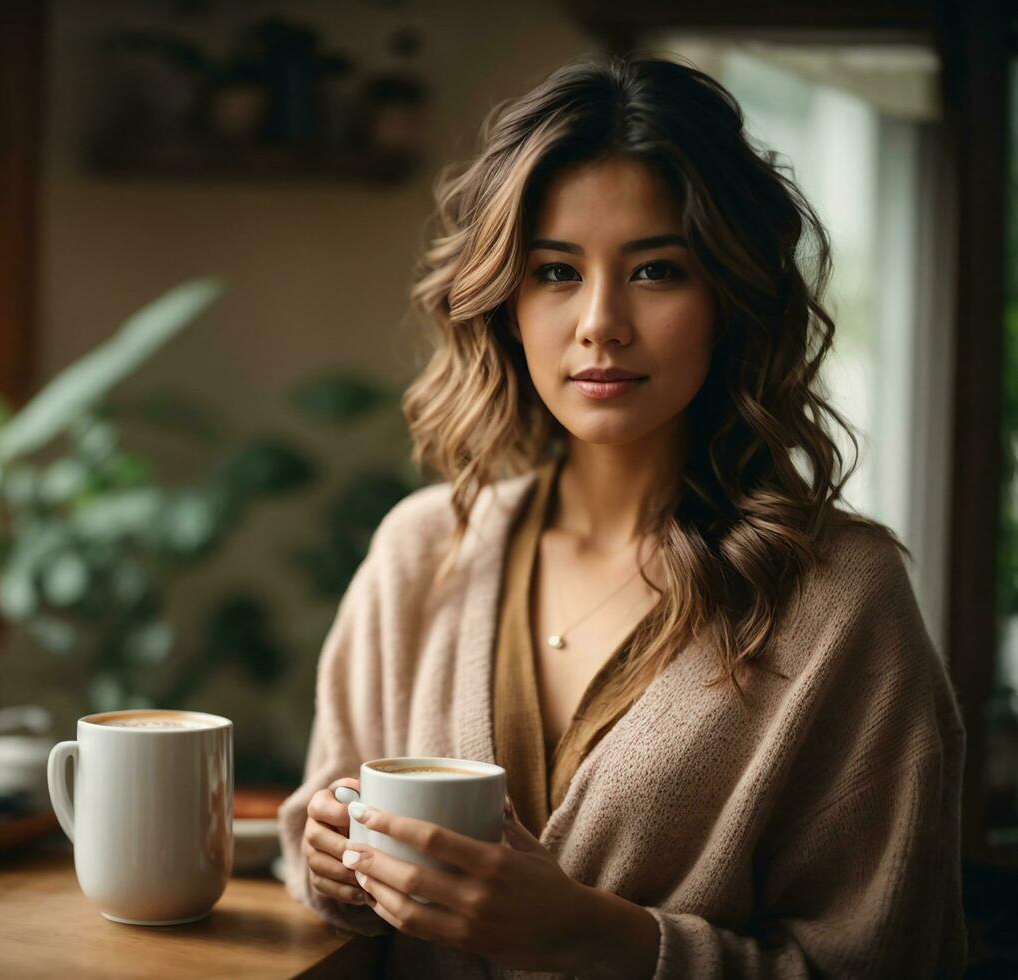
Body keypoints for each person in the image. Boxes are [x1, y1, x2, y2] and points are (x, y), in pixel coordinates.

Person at [275, 53, 966, 979]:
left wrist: (592, 937)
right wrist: (332, 863)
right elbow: (322, 855)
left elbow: (884, 960)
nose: (600, 322)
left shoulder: (839, 596)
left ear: (729, 297)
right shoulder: (421, 548)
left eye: (655, 271)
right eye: (556, 271)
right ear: (504, 304)